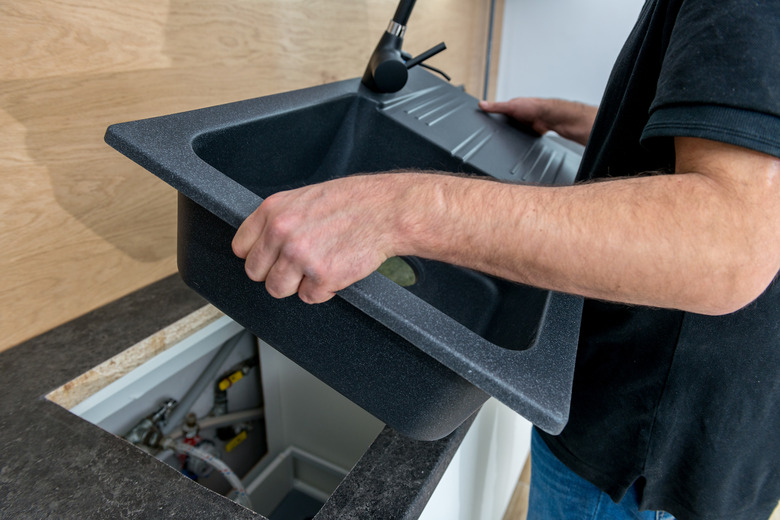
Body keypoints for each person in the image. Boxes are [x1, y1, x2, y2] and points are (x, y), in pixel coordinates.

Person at [232, 0, 780, 518]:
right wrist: (601, 126)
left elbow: (728, 240)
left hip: (640, 453)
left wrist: (396, 208)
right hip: (707, 429)